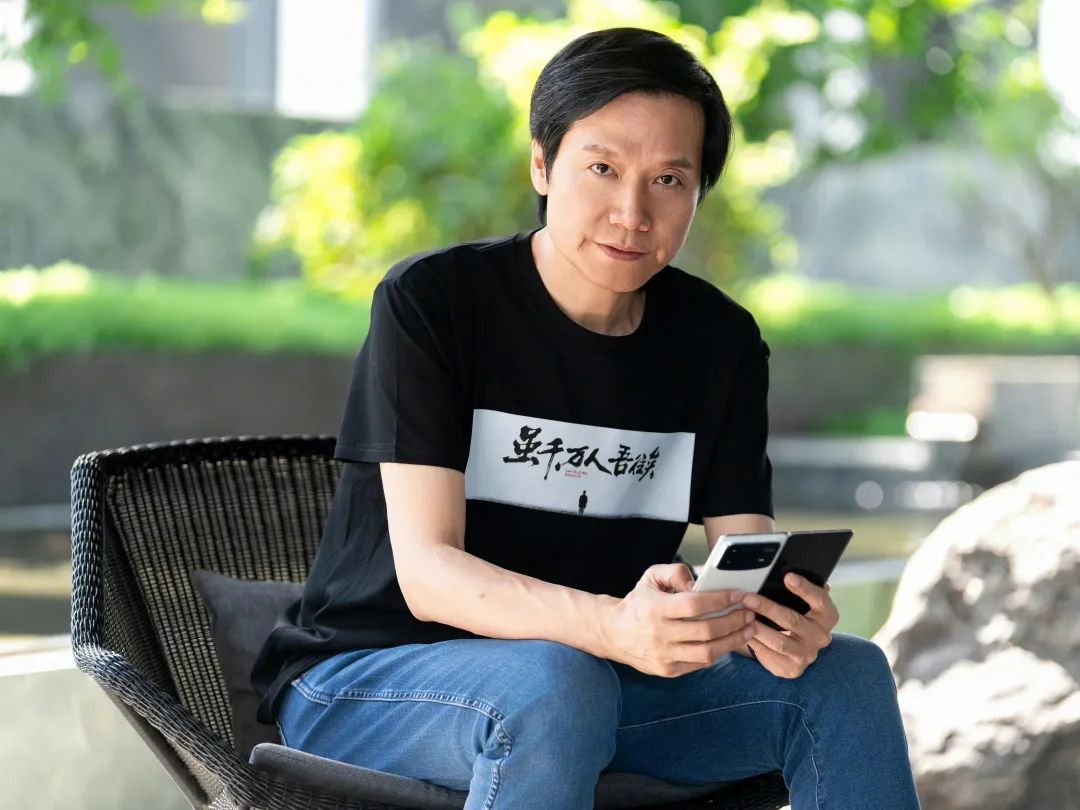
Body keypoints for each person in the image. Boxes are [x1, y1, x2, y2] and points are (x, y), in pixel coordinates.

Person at [250, 27, 921, 810]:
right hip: (371, 678)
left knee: (844, 674)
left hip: (600, 681)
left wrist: (776, 622)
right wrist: (613, 627)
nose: (632, 213)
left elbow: (742, 560)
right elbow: (428, 575)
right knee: (554, 683)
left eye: (669, 180)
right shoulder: (435, 303)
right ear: (543, 164)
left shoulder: (719, 341)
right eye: (603, 168)